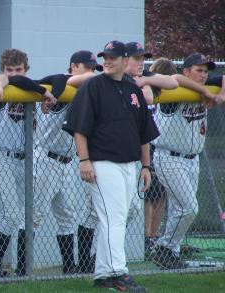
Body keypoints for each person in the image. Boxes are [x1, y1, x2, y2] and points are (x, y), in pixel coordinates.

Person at [63, 40, 159, 292]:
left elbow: (144, 133)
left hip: (130, 165)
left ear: (125, 60)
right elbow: (79, 129)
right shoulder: (92, 86)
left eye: (113, 57)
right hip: (102, 162)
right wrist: (84, 161)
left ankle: (104, 273)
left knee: (120, 216)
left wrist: (146, 166)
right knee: (113, 218)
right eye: (105, 56)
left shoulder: (133, 88)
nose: (107, 60)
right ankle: (119, 272)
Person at [0, 48, 56, 278]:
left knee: (28, 216)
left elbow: (57, 81)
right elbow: (3, 80)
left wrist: (44, 95)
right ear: (2, 70)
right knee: (11, 214)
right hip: (1, 157)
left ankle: (24, 269)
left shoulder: (31, 89)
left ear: (26, 69)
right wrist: (3, 81)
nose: (13, 74)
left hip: (26, 160)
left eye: (18, 69)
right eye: (9, 69)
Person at [151, 53, 224, 269]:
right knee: (189, 208)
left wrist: (221, 94)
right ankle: (163, 248)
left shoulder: (207, 86)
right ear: (186, 71)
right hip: (169, 156)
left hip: (192, 160)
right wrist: (204, 92)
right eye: (198, 70)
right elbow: (174, 79)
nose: (203, 75)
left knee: (178, 209)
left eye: (205, 71)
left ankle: (170, 254)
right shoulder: (175, 88)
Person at [33, 50, 102, 275]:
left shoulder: (84, 88)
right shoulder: (58, 82)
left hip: (68, 161)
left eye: (94, 68)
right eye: (87, 67)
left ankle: (69, 267)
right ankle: (23, 266)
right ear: (73, 66)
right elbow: (71, 80)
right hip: (45, 157)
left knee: (68, 217)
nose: (92, 72)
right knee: (34, 216)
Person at [143, 58, 177, 257]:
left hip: (158, 144)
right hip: (153, 145)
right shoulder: (149, 90)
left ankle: (151, 237)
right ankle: (149, 237)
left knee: (158, 196)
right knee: (151, 196)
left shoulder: (167, 93)